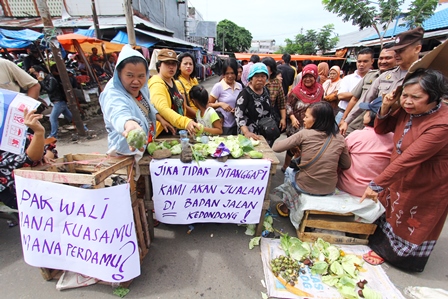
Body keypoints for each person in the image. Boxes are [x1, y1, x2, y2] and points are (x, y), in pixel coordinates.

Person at [360, 69, 448, 272]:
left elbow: (411, 157)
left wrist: (377, 184)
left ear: (434, 97)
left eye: (416, 97)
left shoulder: (442, 124)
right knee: (393, 210)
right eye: (405, 95)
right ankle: (382, 246)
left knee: (412, 217)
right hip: (400, 171)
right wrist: (387, 106)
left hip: (427, 178)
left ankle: (399, 258)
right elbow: (381, 128)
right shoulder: (407, 110)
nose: (407, 101)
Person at [340, 28, 424, 135]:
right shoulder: (385, 76)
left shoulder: (425, 77)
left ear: (417, 49)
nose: (397, 54)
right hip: (378, 129)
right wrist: (346, 121)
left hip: (406, 130)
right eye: (396, 51)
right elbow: (365, 99)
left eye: (401, 50)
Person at [273, 101, 351, 216]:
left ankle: (286, 206)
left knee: (289, 170)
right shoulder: (340, 138)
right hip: (329, 189)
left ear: (316, 120)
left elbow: (276, 147)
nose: (303, 119)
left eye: (306, 117)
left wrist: (295, 145)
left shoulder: (305, 134)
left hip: (304, 187)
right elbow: (346, 164)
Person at [100, 45, 174, 156]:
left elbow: (147, 104)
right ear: (119, 73)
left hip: (145, 147)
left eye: (141, 76)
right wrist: (128, 123)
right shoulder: (112, 93)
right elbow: (118, 112)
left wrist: (159, 118)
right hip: (126, 154)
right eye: (130, 75)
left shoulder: (143, 87)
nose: (136, 81)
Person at [0, 108, 56, 210]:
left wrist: (46, 156)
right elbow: (28, 159)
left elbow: (49, 147)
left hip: (47, 184)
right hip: (21, 196)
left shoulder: (12, 130)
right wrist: (39, 133)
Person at [337, 97, 393, 197]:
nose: (365, 114)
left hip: (349, 186)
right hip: (377, 191)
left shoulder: (357, 135)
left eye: (367, 111)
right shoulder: (394, 139)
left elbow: (339, 156)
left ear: (372, 115)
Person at [339, 44, 397, 135]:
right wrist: (344, 120)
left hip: (378, 127)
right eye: (381, 58)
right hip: (356, 123)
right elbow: (355, 99)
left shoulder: (399, 79)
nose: (383, 61)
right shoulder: (370, 76)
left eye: (388, 58)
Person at [148, 48, 201, 137]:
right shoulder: (157, 84)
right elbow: (163, 108)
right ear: (159, 65)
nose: (171, 67)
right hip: (162, 133)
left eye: (174, 64)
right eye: (167, 63)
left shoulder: (172, 81)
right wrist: (185, 122)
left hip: (176, 131)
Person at [281, 64, 324, 171]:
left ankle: (300, 167)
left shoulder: (320, 90)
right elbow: (287, 105)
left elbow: (322, 104)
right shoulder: (296, 91)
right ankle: (286, 167)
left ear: (315, 77)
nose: (308, 79)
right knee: (293, 147)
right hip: (296, 123)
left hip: (312, 124)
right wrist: (292, 118)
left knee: (306, 146)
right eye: (305, 76)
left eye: (311, 76)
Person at [235, 63, 278, 146]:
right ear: (251, 78)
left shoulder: (266, 91)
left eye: (263, 76)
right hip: (249, 135)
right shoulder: (245, 94)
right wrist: (246, 132)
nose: (260, 79)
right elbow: (238, 115)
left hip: (264, 133)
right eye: (257, 76)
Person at [30, 65, 73, 139]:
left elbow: (50, 89)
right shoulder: (47, 79)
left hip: (59, 101)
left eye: (35, 73)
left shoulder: (51, 79)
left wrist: (41, 82)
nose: (36, 75)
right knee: (70, 116)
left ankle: (53, 135)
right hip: (57, 101)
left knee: (52, 118)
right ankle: (83, 128)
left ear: (40, 72)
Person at [336, 48, 375, 124]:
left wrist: (352, 96)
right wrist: (363, 94)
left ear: (372, 61)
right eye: (359, 61)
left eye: (365, 61)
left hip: (363, 115)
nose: (361, 64)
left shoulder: (376, 78)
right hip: (343, 112)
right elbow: (341, 96)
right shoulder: (348, 78)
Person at [208, 58, 242, 135]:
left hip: (237, 125)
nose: (230, 76)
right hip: (224, 126)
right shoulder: (218, 86)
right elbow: (208, 105)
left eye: (232, 73)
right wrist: (220, 104)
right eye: (227, 73)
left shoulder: (239, 86)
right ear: (223, 74)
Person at [262, 57, 286, 131]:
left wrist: (283, 119)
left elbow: (282, 103)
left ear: (271, 71)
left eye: (266, 70)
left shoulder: (276, 83)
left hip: (270, 120)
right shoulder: (253, 82)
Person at [175, 52, 199, 119]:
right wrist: (200, 116)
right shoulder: (178, 83)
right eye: (185, 64)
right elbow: (184, 106)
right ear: (179, 66)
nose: (188, 66)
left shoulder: (194, 80)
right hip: (190, 120)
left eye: (191, 64)